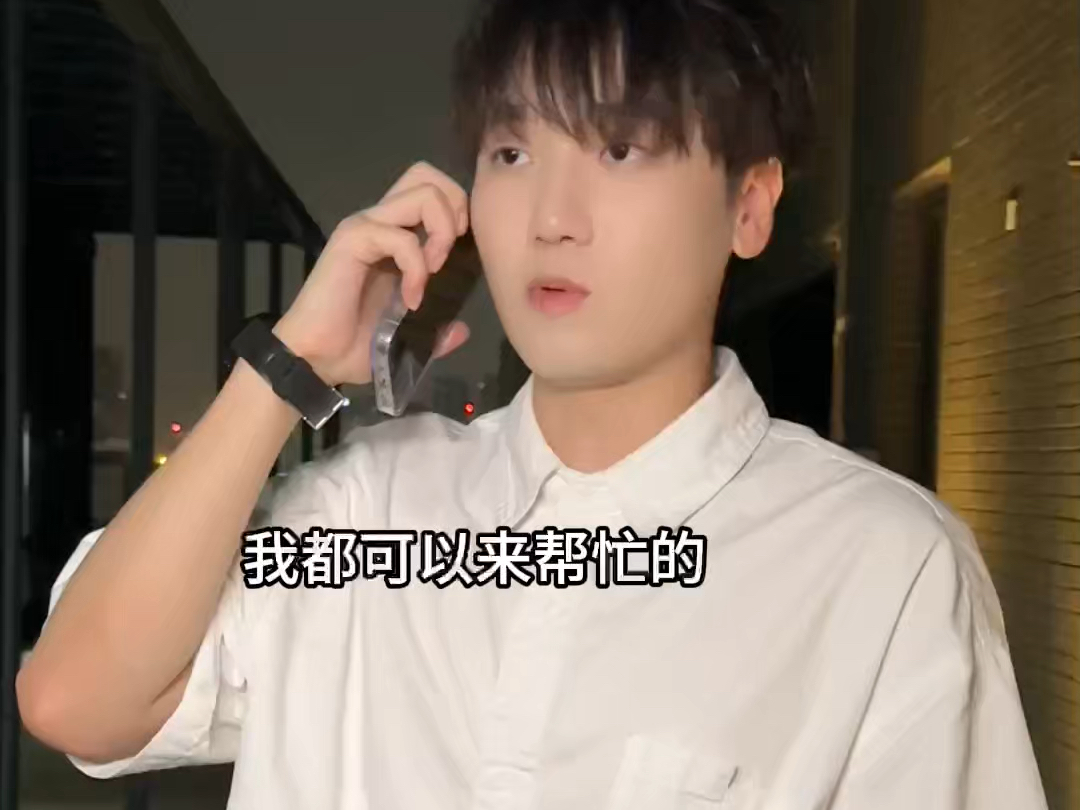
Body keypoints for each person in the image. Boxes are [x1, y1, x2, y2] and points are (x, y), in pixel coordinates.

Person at [18, 0, 1048, 808]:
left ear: (749, 203)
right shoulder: (369, 510)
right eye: (512, 154)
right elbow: (75, 701)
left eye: (621, 149)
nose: (552, 218)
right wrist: (288, 365)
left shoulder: (880, 567)